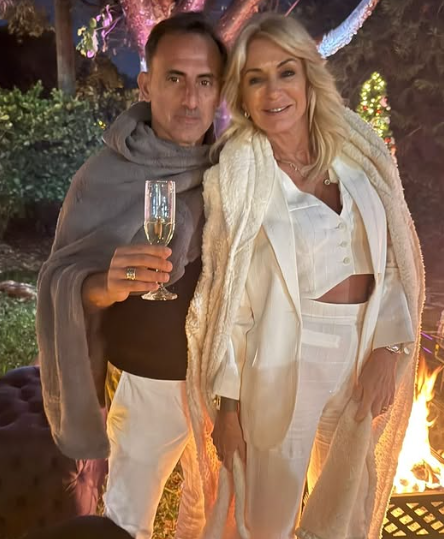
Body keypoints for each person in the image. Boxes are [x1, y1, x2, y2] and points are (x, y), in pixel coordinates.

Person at [186, 13, 425, 539]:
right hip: (280, 362)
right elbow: (230, 303)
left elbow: (392, 259)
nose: (274, 91)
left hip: (361, 355)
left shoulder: (356, 159)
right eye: (256, 78)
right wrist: (228, 409)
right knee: (264, 523)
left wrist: (390, 347)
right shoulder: (238, 178)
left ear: (308, 77)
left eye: (286, 72)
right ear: (242, 94)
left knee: (346, 517)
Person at [36, 12, 227, 539]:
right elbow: (60, 277)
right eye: (174, 78)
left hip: (228, 385)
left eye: (205, 81)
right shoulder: (104, 175)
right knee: (126, 524)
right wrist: (105, 284)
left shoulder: (232, 169)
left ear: (219, 91)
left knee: (223, 520)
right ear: (145, 85)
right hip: (147, 383)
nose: (190, 98)